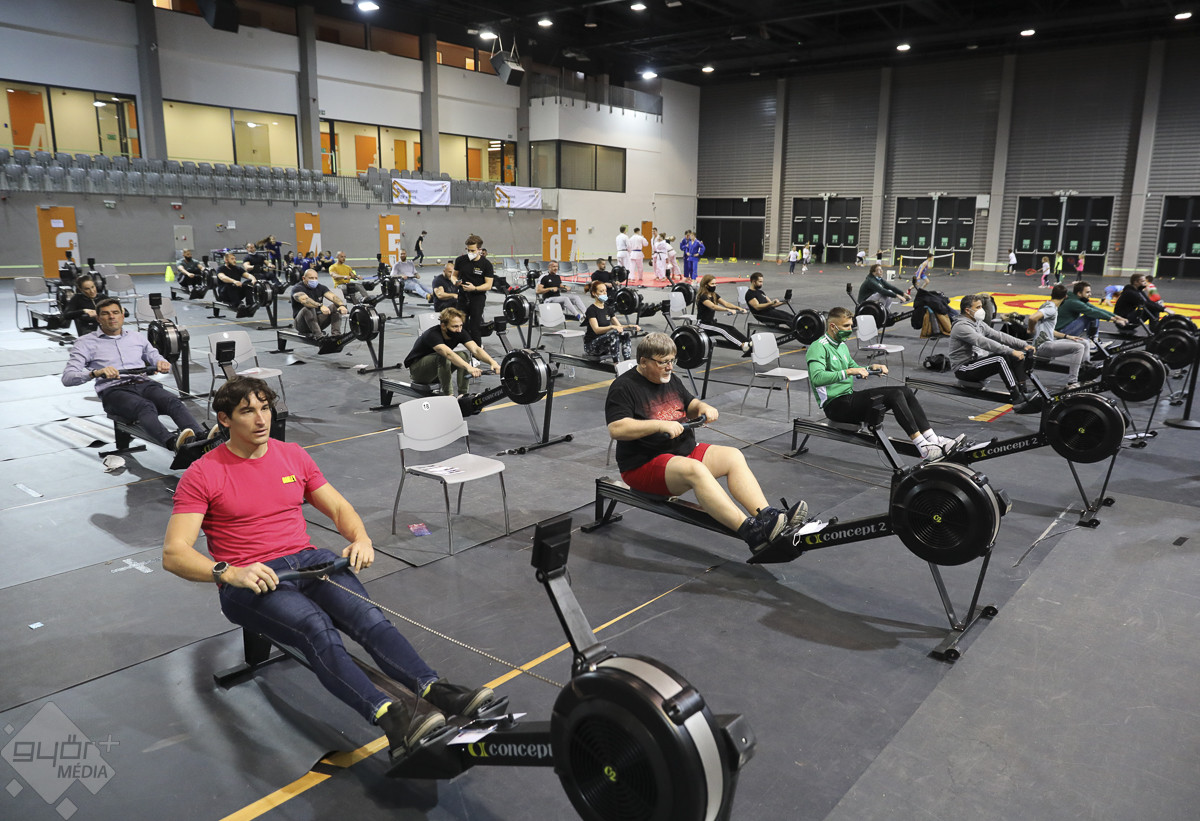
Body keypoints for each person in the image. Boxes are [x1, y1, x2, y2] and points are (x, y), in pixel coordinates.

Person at [163, 377, 497, 766]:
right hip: (252, 579)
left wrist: (361, 539)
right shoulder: (203, 473)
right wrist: (229, 573)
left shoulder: (292, 455)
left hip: (308, 561)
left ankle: (435, 689)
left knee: (369, 618)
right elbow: (174, 553)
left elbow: (339, 508)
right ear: (224, 420)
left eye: (265, 408)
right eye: (247, 411)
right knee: (316, 628)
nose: (261, 419)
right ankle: (391, 718)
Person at [605, 332, 808, 555]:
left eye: (672, 361)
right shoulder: (623, 387)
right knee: (696, 470)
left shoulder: (671, 379)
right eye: (663, 362)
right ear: (644, 362)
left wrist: (703, 407)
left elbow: (690, 404)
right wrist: (659, 425)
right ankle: (752, 533)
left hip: (680, 453)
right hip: (643, 464)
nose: (670, 367)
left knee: (733, 456)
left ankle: (766, 515)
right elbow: (616, 429)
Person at [807, 307, 962, 459]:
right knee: (894, 395)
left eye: (851, 325)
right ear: (832, 326)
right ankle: (923, 447)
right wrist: (849, 372)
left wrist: (871, 368)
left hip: (849, 397)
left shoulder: (841, 345)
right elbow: (817, 378)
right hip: (835, 406)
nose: (850, 329)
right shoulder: (818, 347)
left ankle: (933, 439)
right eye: (846, 326)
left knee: (905, 391)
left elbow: (854, 368)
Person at [62, 297, 201, 451]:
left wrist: (161, 362)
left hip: (144, 384)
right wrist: (95, 373)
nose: (112, 317)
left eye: (115, 312)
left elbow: (154, 355)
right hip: (114, 391)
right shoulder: (85, 342)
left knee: (173, 401)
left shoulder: (136, 337)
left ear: (122, 315)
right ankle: (173, 444)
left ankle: (201, 439)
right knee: (145, 407)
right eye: (106, 314)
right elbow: (68, 378)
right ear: (98, 318)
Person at [949, 294, 1043, 414]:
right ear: (967, 310)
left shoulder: (978, 323)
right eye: (978, 307)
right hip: (963, 368)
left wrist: (1023, 345)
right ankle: (1016, 398)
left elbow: (999, 335)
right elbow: (984, 342)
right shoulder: (961, 327)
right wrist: (1011, 351)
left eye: (981, 306)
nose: (981, 310)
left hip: (976, 364)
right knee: (1000, 358)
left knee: (1013, 356)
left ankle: (1023, 391)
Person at [403, 307, 499, 396]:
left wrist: (493, 362)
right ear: (443, 326)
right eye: (455, 326)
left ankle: (463, 395)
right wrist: (469, 367)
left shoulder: (460, 332)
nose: (459, 330)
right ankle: (449, 396)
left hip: (437, 372)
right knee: (443, 357)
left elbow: (476, 349)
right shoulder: (432, 334)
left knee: (463, 356)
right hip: (418, 372)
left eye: (461, 326)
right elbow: (448, 354)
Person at [1026, 285, 1090, 388]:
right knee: (1079, 347)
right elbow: (1032, 318)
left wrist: (1067, 336)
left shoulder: (1047, 304)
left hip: (1049, 342)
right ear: (1065, 297)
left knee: (1084, 342)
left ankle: (1086, 374)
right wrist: (1031, 329)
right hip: (1043, 346)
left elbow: (1050, 330)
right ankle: (1072, 382)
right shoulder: (1051, 309)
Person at [453, 234, 494, 345]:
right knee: (461, 325)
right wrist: (455, 282)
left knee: (475, 327)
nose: (470, 253)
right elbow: (454, 275)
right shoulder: (460, 260)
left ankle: (477, 351)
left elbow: (488, 285)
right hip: (462, 297)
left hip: (477, 298)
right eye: (468, 250)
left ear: (479, 250)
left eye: (472, 250)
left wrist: (474, 288)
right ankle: (461, 349)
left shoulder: (486, 264)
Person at [583, 281, 638, 362]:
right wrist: (611, 327)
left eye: (605, 291)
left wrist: (630, 326)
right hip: (591, 346)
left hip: (604, 345)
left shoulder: (608, 308)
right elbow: (596, 330)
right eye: (601, 291)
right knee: (613, 335)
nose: (605, 293)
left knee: (625, 334)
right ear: (594, 293)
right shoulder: (591, 310)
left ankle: (627, 361)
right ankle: (616, 363)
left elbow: (619, 326)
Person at [695, 274, 751, 353]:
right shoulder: (702, 296)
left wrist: (738, 308)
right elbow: (713, 306)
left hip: (711, 323)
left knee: (731, 328)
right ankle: (742, 346)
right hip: (702, 324)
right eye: (712, 284)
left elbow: (726, 303)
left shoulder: (714, 295)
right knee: (723, 331)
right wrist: (727, 310)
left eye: (715, 283)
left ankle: (748, 343)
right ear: (706, 285)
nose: (714, 285)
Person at [1055, 280, 1129, 340]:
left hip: (1064, 329)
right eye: (1087, 292)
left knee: (1094, 313)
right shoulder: (1074, 302)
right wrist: (1115, 320)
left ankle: (1093, 341)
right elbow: (1093, 312)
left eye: (1090, 292)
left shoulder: (1077, 299)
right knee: (1092, 316)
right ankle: (1093, 341)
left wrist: (1119, 317)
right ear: (1079, 293)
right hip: (1062, 333)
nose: (1090, 294)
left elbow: (1096, 309)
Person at [291, 267, 348, 341]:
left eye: (316, 278)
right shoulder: (297, 288)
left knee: (335, 306)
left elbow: (333, 297)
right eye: (311, 278)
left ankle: (336, 335)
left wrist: (341, 305)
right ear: (304, 278)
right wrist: (320, 305)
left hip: (316, 322)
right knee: (308, 308)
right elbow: (304, 300)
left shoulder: (320, 287)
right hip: (301, 324)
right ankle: (319, 338)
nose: (314, 280)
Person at [217, 251, 258, 316]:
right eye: (232, 259)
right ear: (226, 260)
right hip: (225, 294)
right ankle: (237, 305)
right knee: (230, 285)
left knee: (248, 284)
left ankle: (250, 305)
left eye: (235, 259)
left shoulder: (238, 268)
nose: (234, 260)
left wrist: (253, 279)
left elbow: (247, 275)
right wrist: (234, 281)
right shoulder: (221, 269)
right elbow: (223, 277)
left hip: (236, 293)